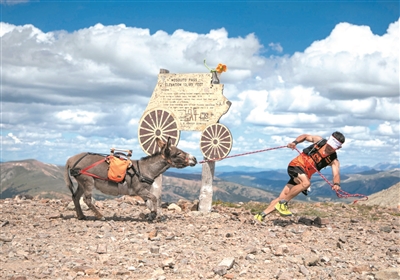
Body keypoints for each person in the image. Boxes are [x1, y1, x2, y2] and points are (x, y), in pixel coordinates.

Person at [254, 131, 345, 221]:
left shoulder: (334, 160)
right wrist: (295, 142)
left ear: (338, 148)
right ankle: (283, 204)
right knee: (306, 183)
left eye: (332, 147)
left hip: (304, 174)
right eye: (329, 144)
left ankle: (260, 215)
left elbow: (336, 174)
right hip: (296, 165)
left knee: (283, 196)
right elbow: (305, 136)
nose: (329, 147)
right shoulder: (319, 141)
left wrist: (336, 184)